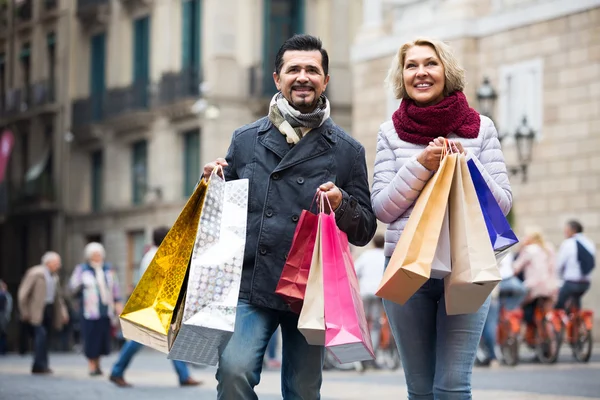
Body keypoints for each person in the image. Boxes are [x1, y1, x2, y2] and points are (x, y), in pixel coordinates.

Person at [203, 34, 376, 399]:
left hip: (311, 289)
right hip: (252, 284)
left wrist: (342, 201)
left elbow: (365, 229)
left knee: (303, 390)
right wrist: (211, 185)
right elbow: (222, 218)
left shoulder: (347, 150)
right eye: (293, 69)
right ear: (277, 78)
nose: (303, 76)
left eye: (312, 70)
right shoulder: (245, 139)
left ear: (325, 80)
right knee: (234, 372)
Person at [371, 37, 512, 399]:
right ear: (401, 76)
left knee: (452, 386)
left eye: (430, 63)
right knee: (419, 389)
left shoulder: (481, 128)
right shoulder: (389, 132)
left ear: (446, 70)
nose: (421, 72)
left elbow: (503, 204)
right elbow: (383, 209)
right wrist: (421, 166)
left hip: (467, 266)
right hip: (406, 269)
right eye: (411, 65)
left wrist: (468, 162)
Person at [109, 227, 201, 388]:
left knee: (172, 339)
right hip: (154, 306)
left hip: (155, 305)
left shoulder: (153, 254)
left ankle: (184, 376)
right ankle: (117, 371)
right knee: (139, 340)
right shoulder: (157, 256)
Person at [69, 242, 122, 376]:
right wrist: (80, 284)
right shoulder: (82, 269)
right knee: (91, 338)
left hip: (105, 309)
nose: (97, 257)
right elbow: (73, 286)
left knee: (102, 338)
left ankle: (98, 364)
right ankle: (91, 365)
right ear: (88, 256)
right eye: (94, 255)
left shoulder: (108, 269)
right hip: (89, 310)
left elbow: (115, 288)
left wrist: (118, 304)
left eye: (98, 254)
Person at [17, 252, 69, 373]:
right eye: (57, 263)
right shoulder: (35, 273)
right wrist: (24, 311)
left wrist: (63, 313)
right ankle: (39, 365)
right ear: (48, 263)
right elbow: (23, 294)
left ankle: (41, 364)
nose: (59, 265)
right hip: (35, 310)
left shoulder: (54, 277)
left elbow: (58, 298)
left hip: (49, 309)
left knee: (46, 337)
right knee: (41, 336)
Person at [512, 227, 559, 333]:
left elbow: (516, 268)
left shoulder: (529, 249)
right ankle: (551, 342)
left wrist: (520, 249)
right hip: (551, 287)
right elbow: (554, 268)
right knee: (547, 313)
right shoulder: (549, 248)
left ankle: (527, 332)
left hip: (534, 287)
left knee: (520, 304)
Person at [354, 234, 386, 359]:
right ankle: (373, 351)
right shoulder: (385, 256)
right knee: (377, 323)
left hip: (365, 291)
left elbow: (355, 271)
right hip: (379, 292)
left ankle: (362, 350)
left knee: (364, 322)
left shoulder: (366, 255)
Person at [555, 220, 596, 310]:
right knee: (576, 300)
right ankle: (577, 320)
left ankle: (563, 321)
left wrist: (559, 277)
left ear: (573, 230)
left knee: (559, 305)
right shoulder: (589, 242)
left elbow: (559, 264)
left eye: (566, 229)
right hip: (586, 282)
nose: (564, 232)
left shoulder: (568, 243)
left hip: (571, 281)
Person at [0, 279, 13, 355]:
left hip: (4, 316)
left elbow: (8, 307)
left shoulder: (6, 295)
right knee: (3, 334)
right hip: (4, 316)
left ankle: (3, 350)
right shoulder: (5, 295)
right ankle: (3, 350)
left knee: (3, 334)